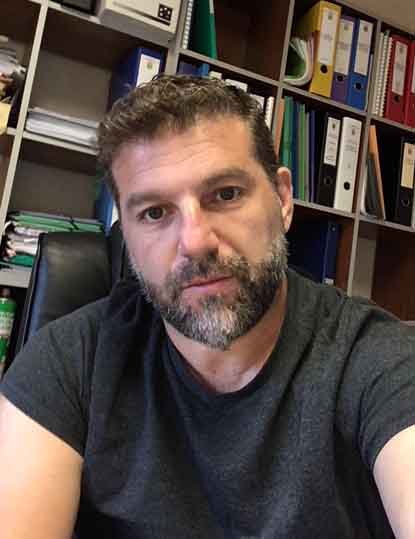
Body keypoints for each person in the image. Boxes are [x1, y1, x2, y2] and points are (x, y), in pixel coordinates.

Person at [0, 75, 414, 539]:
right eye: (155, 213)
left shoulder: (378, 362)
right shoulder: (70, 362)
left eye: (226, 194)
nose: (195, 242)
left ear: (282, 200)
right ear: (127, 235)